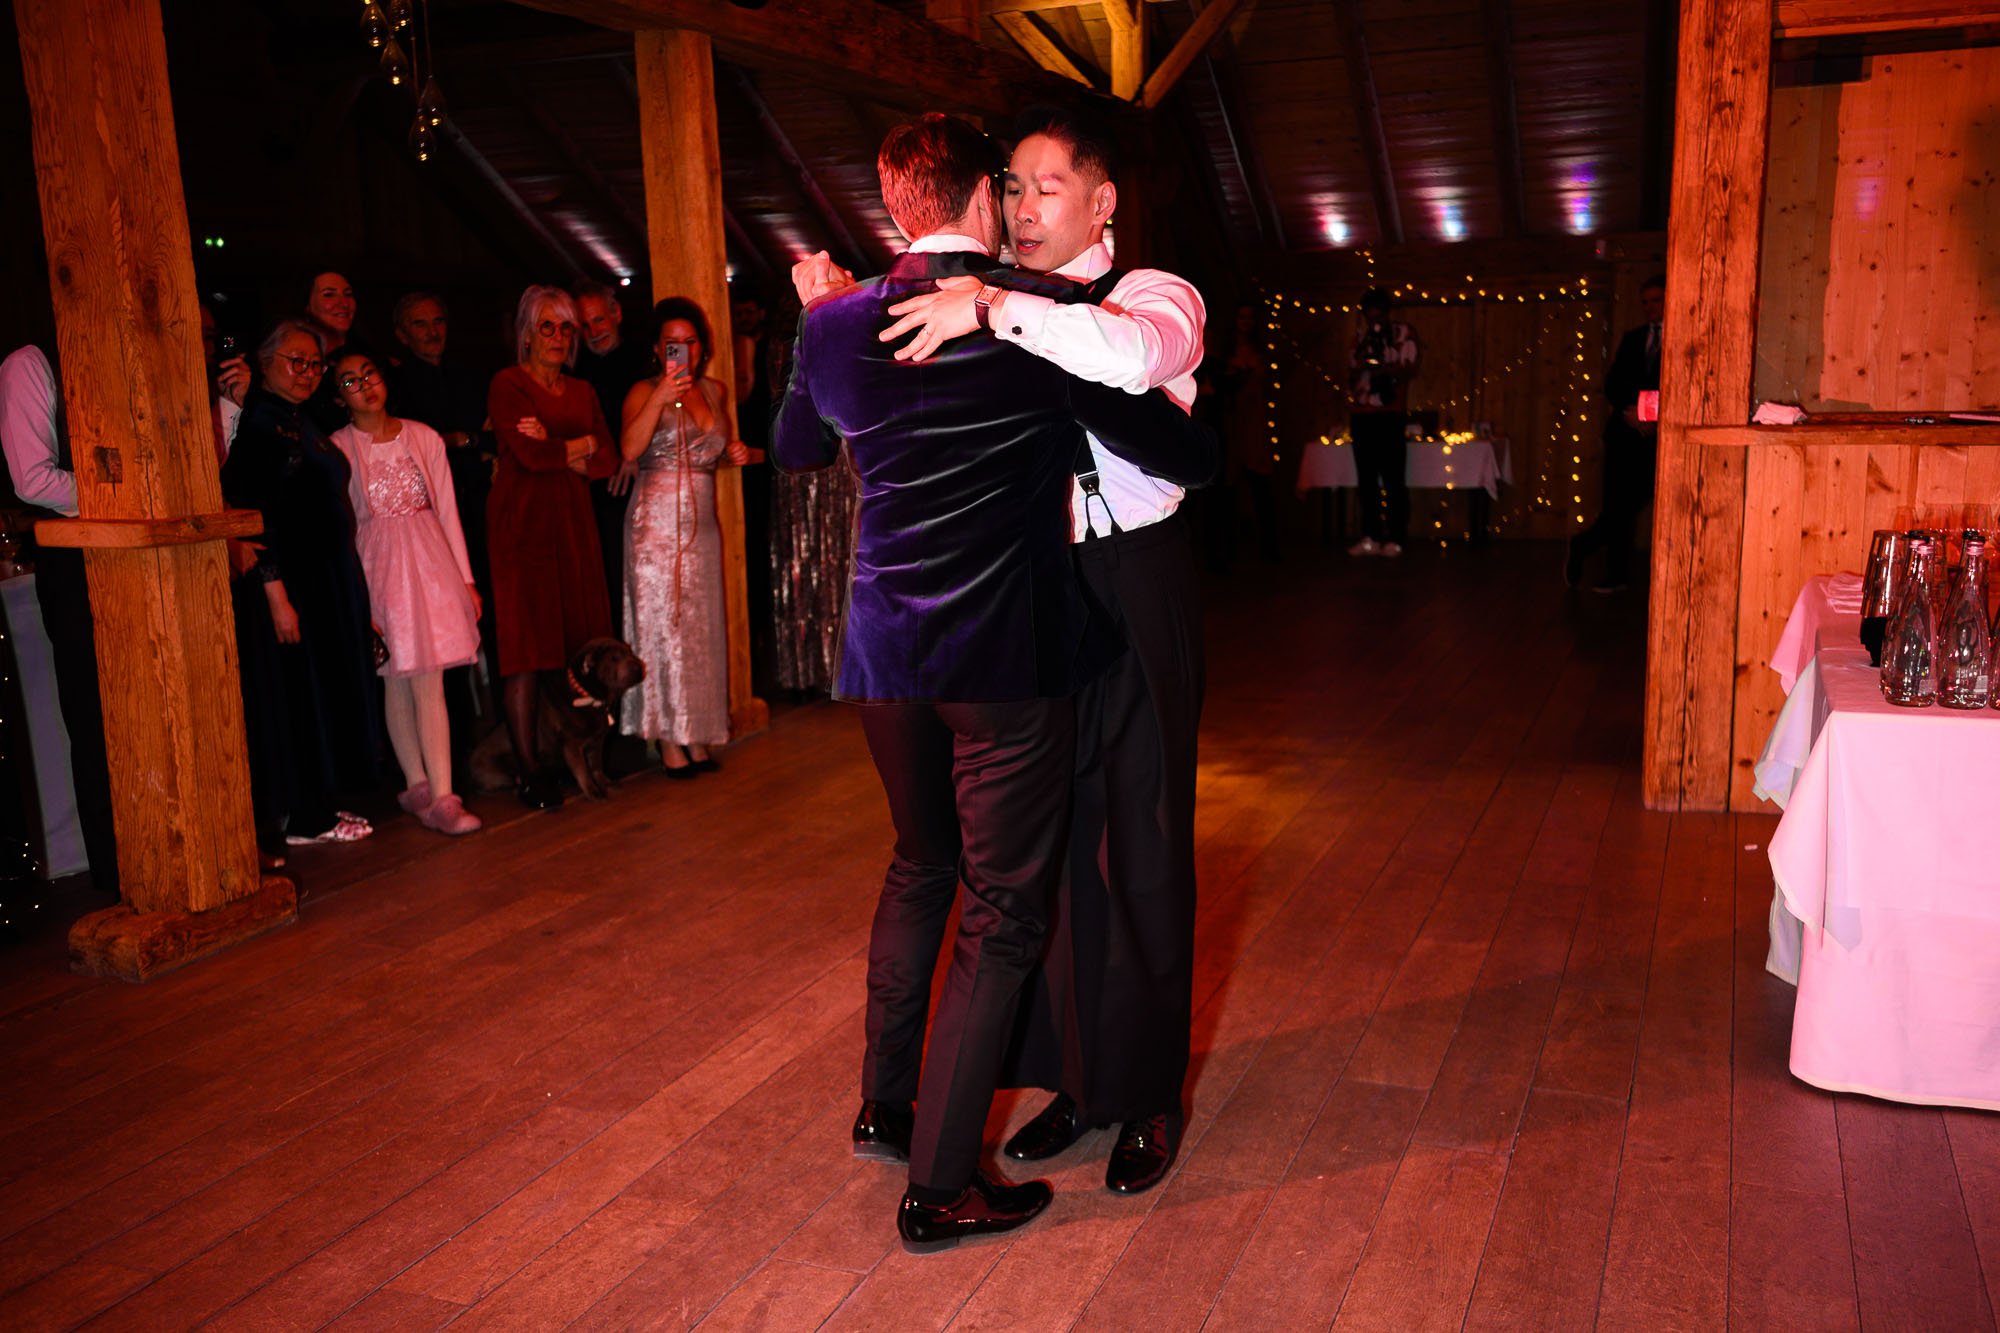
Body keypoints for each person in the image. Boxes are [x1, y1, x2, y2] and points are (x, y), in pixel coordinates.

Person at [773, 112, 1217, 1254]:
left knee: (1146, 842)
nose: (1023, 209)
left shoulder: (1144, 293)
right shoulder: (979, 307)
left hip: (1135, 576)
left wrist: (988, 308)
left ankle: (1148, 1095)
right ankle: (1077, 1072)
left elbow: (1153, 408)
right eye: (1010, 189)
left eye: (1047, 187)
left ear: (1102, 204)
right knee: (1053, 857)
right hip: (1032, 603)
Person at [222, 320, 380, 846]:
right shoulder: (262, 426)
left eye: (315, 364)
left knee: (322, 692)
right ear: (264, 363)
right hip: (295, 584)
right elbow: (252, 516)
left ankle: (319, 806)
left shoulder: (296, 418)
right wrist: (276, 595)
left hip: (326, 579)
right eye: (296, 361)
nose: (308, 372)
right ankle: (305, 817)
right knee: (300, 696)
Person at [330, 350, 484, 835]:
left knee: (429, 677)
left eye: (368, 374)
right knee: (394, 677)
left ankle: (444, 796)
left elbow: (447, 510)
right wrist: (356, 595)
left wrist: (466, 580)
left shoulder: (423, 437)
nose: (365, 385)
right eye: (350, 382)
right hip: (379, 568)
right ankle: (417, 786)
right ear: (339, 397)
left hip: (429, 563)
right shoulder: (338, 447)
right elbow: (347, 524)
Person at [486, 286, 619, 809]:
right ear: (526, 333)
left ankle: (580, 759)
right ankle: (529, 770)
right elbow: (528, 455)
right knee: (526, 651)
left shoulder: (583, 391)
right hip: (522, 529)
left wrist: (569, 446)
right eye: (548, 326)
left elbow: (606, 460)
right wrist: (574, 446)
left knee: (577, 645)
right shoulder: (507, 384)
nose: (560, 337)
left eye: (567, 328)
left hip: (573, 526)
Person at [0, 345, 119, 895]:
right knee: (98, 717)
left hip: (130, 547)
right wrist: (126, 496)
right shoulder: (33, 361)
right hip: (73, 554)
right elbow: (32, 480)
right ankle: (120, 876)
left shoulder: (119, 353)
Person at [617, 297, 749, 775]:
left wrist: (733, 449)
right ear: (657, 348)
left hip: (702, 525)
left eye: (690, 343)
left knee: (697, 630)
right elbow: (630, 448)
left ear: (702, 347)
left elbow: (717, 448)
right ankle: (666, 738)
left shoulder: (714, 389)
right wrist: (660, 396)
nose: (682, 352)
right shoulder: (640, 391)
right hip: (653, 522)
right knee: (660, 626)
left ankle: (695, 732)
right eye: (672, 345)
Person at [387, 291, 499, 744]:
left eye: (438, 322)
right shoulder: (398, 388)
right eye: (420, 324)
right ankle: (458, 746)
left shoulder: (470, 376)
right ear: (401, 334)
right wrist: (465, 441)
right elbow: (423, 455)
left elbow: (490, 440)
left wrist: (464, 442)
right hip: (430, 527)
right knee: (448, 629)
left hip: (482, 510)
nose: (432, 332)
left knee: (490, 619)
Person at [1568, 274, 1665, 593]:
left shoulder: (1684, 339)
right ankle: (1611, 570)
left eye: (1656, 300)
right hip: (1625, 434)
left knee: (1640, 504)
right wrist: (1630, 411)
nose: (1651, 307)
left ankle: (1584, 546)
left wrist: (1656, 417)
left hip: (1661, 437)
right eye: (1646, 301)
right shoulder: (1634, 338)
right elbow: (1614, 383)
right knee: (1618, 508)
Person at [574, 281, 650, 620]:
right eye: (585, 325)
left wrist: (635, 456)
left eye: (599, 321)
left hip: (642, 481)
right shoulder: (577, 369)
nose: (594, 331)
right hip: (596, 485)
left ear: (616, 314)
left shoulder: (644, 358)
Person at [1347, 287, 1420, 556]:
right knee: (1366, 479)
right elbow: (1351, 375)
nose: (1374, 319)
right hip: (1362, 415)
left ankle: (1396, 537)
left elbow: (1409, 369)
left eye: (1379, 314)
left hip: (1390, 414)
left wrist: (1381, 367)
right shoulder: (1359, 337)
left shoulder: (1402, 333)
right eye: (1370, 314)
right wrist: (1362, 367)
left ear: (1387, 312)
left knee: (1393, 478)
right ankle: (1370, 535)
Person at [302, 270, 361, 436]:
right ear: (307, 305)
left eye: (348, 294)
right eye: (329, 295)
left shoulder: (369, 359)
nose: (343, 303)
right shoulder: (294, 364)